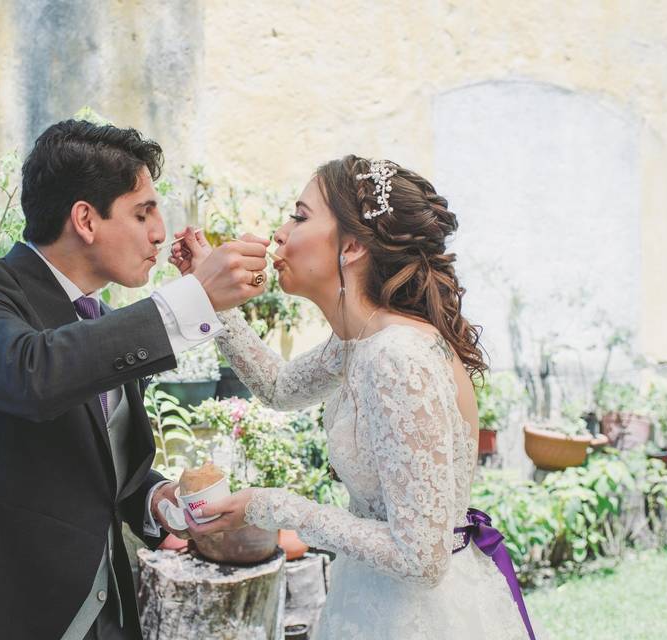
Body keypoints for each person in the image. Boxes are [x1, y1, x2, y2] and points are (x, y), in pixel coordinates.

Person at [0, 119, 269, 640]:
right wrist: (194, 298)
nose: (160, 231)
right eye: (142, 212)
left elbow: (106, 476)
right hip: (6, 614)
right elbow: (32, 375)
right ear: (85, 218)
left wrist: (159, 503)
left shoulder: (103, 322)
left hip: (108, 618)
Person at [170, 156, 537, 639]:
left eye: (300, 216)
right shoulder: (360, 342)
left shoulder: (396, 356)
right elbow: (278, 388)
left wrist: (272, 507)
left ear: (353, 246)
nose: (280, 233)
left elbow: (420, 559)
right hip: (371, 599)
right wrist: (214, 303)